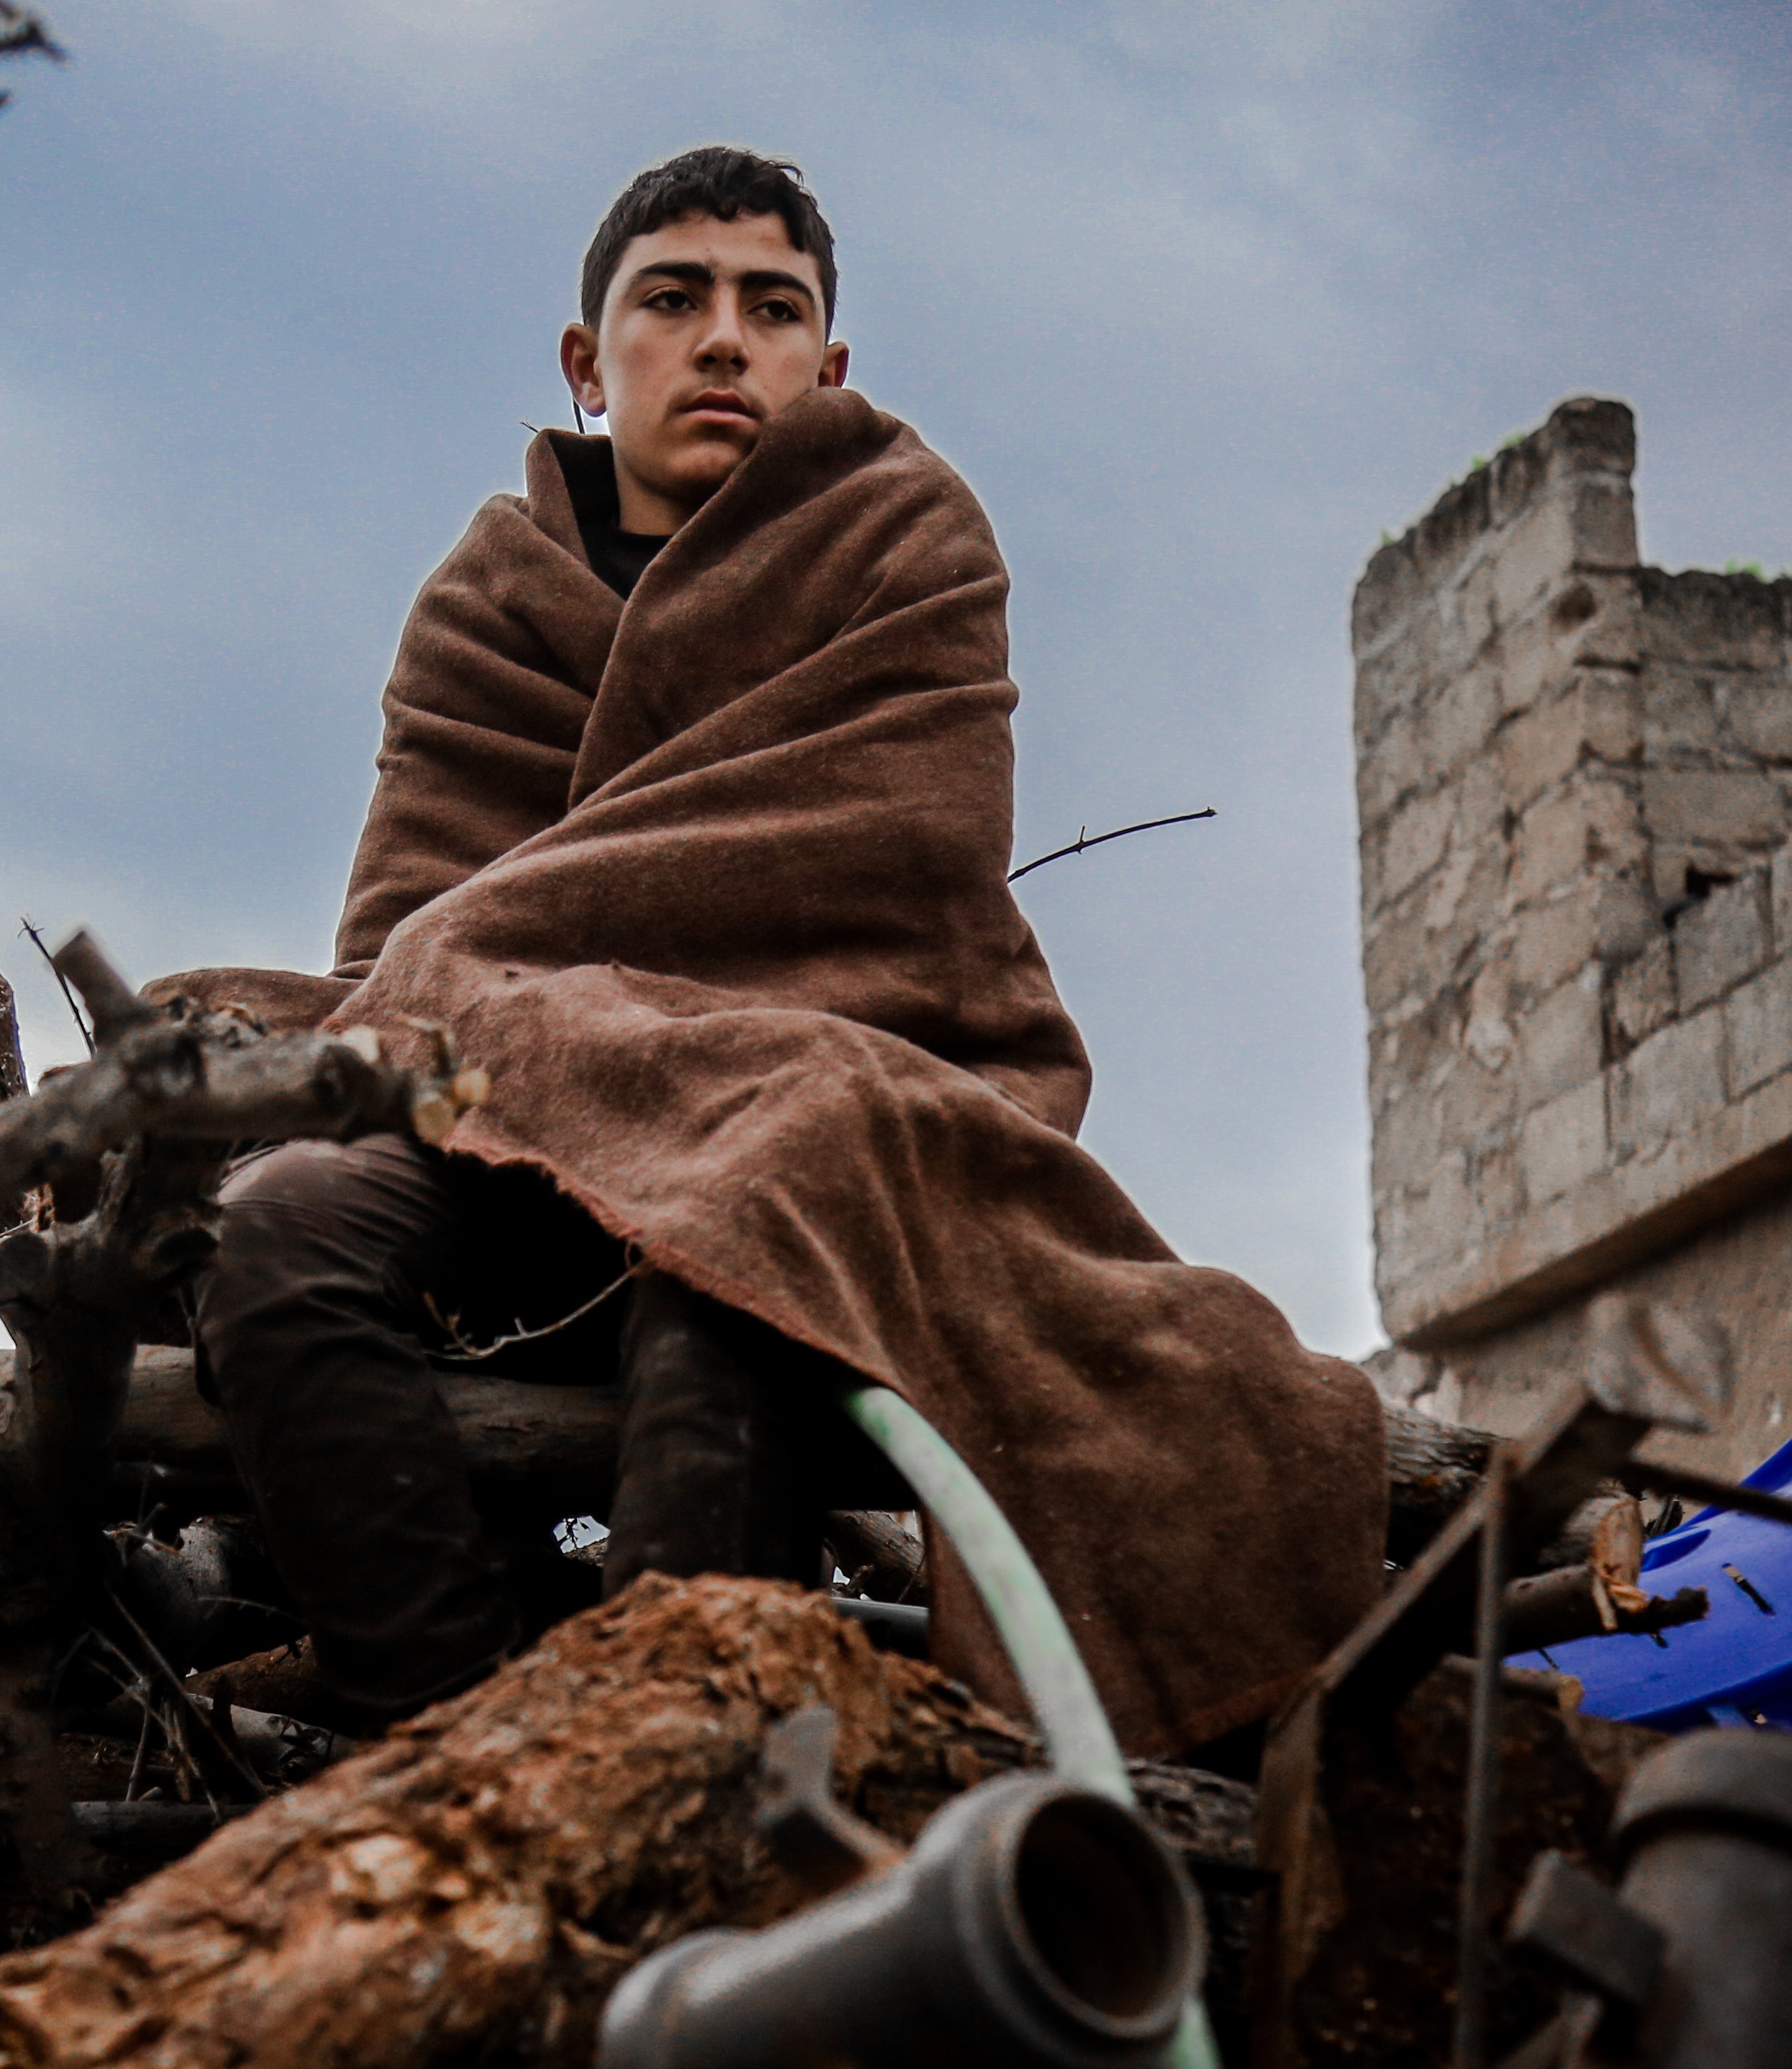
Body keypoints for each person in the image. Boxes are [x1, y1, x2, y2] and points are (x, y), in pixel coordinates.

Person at [164, 148, 1388, 1749]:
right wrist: (513, 1016)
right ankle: (452, 1757)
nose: (727, 340)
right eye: (674, 301)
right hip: (518, 1136)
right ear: (589, 365)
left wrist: (599, 1011)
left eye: (774, 307)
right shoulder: (488, 600)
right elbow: (418, 944)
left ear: (831, 363)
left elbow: (895, 862)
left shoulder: (908, 549)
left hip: (813, 1125)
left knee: (736, 1246)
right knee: (282, 1226)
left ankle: (675, 1784)